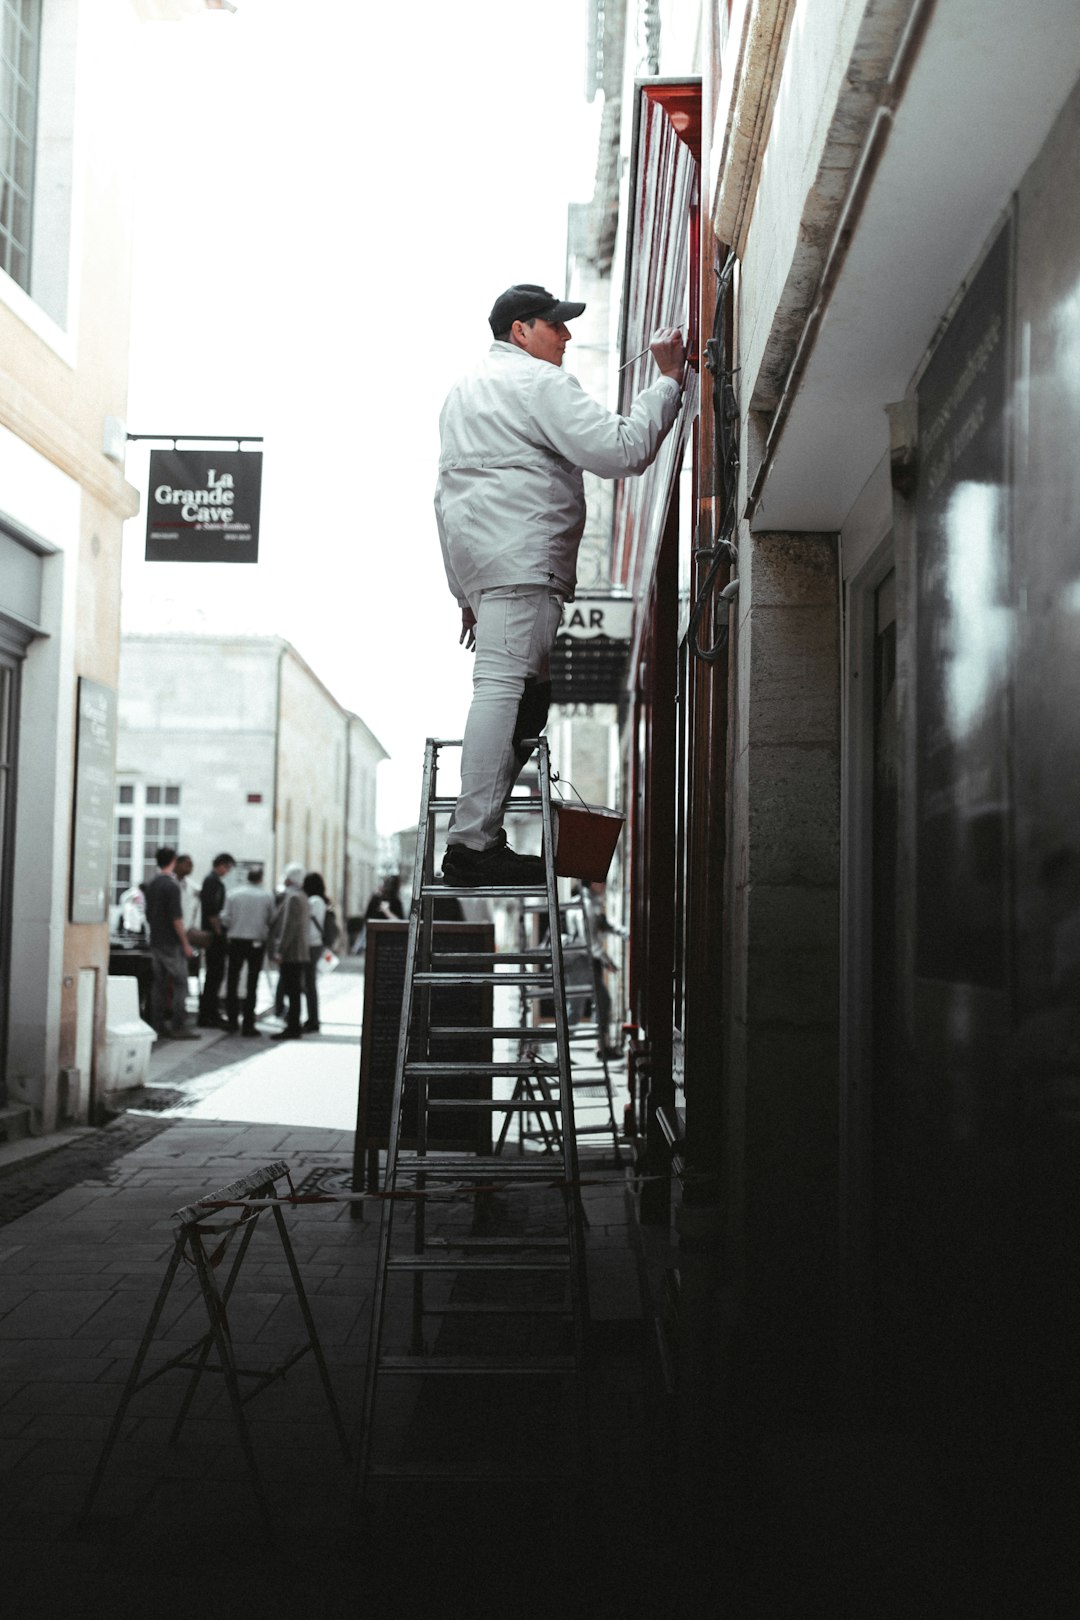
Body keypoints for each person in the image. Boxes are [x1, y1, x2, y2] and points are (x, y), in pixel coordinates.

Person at [435, 282, 685, 886]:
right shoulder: (538, 383)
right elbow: (623, 450)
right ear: (521, 331)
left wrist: (464, 593)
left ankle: (478, 832)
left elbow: (446, 495)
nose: (568, 335)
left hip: (489, 566)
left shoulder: (462, 395)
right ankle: (473, 843)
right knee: (504, 690)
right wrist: (670, 381)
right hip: (525, 559)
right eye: (555, 325)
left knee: (528, 691)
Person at [142, 846, 198, 1041]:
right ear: (173, 861)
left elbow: (148, 914)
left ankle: (156, 1024)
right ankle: (178, 1025)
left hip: (156, 939)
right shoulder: (171, 886)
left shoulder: (152, 884)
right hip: (171, 941)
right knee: (181, 982)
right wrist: (185, 944)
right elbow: (176, 919)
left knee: (159, 984)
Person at [221, 864, 275, 1036]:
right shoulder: (266, 896)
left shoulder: (233, 894)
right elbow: (271, 919)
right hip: (256, 941)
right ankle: (248, 1023)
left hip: (236, 940)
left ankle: (232, 1020)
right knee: (252, 983)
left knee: (232, 980)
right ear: (260, 878)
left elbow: (225, 918)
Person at [267, 863, 311, 1041]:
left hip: (292, 953)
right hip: (297, 951)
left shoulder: (293, 897)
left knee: (292, 990)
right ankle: (293, 1024)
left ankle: (293, 1026)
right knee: (293, 990)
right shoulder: (301, 896)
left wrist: (280, 951)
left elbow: (288, 927)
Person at [197, 852, 235, 1028]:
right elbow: (212, 910)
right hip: (214, 935)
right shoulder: (212, 882)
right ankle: (208, 1013)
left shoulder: (212, 881)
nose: (227, 871)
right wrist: (219, 932)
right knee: (214, 975)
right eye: (227, 867)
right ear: (221, 865)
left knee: (214, 975)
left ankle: (209, 1012)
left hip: (213, 933)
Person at [301, 871, 329, 1034]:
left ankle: (313, 1019)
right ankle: (312, 1018)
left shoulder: (313, 901)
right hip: (315, 944)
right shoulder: (320, 900)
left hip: (311, 944)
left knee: (309, 983)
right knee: (309, 983)